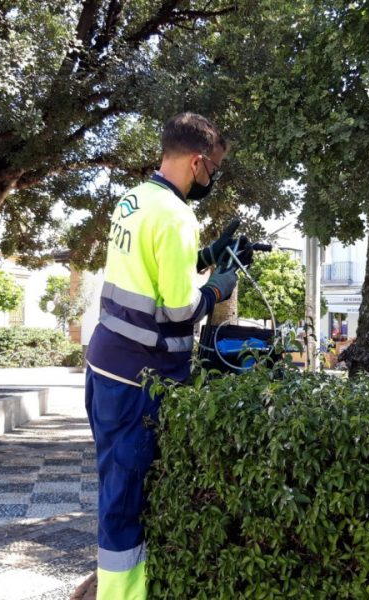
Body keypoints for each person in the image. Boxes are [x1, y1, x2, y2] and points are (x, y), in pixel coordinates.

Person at [79, 113, 249, 600]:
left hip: (107, 365)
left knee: (117, 487)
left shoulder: (134, 199)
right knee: (125, 502)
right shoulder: (177, 215)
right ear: (197, 161)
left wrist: (204, 255)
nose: (211, 177)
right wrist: (216, 289)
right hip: (139, 379)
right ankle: (121, 596)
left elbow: (149, 270)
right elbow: (177, 309)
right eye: (212, 168)